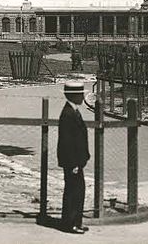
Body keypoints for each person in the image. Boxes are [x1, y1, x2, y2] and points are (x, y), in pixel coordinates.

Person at [57, 81, 91, 234]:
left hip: (77, 161)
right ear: (75, 96)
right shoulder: (68, 114)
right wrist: (74, 163)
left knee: (79, 191)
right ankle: (69, 223)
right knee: (72, 191)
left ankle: (76, 221)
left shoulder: (73, 111)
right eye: (81, 94)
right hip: (72, 162)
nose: (83, 97)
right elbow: (67, 141)